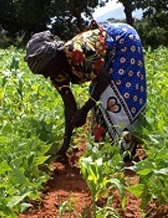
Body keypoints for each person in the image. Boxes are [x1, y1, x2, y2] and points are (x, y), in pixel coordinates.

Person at [24, 20, 147, 163]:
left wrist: (84, 111)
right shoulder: (56, 73)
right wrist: (65, 145)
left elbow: (103, 79)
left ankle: (127, 148)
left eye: (46, 70)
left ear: (55, 58)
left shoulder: (76, 52)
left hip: (123, 43)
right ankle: (107, 147)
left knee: (113, 96)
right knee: (99, 97)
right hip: (105, 55)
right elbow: (70, 106)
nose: (46, 76)